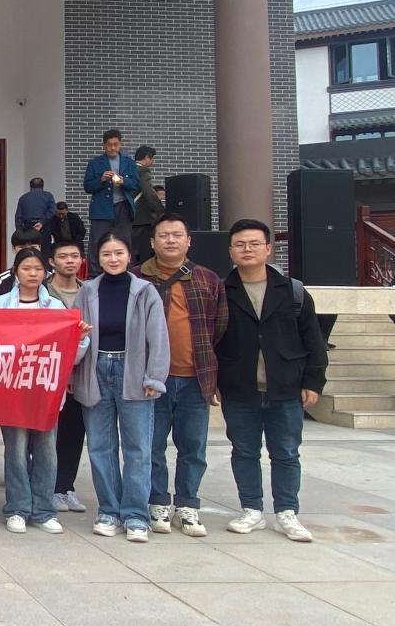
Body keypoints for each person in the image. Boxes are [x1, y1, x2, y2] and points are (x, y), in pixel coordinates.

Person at [217, 219, 327, 543]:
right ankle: (251, 509)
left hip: (286, 388)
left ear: (268, 248)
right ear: (230, 251)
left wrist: (313, 382)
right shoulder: (221, 291)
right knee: (244, 451)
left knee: (286, 452)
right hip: (239, 388)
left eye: (254, 244)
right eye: (240, 244)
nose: (247, 249)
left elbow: (314, 340)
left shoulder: (293, 291)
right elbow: (212, 340)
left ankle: (286, 512)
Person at [133, 213, 227, 537]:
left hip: (195, 378)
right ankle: (157, 501)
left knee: (193, 447)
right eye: (164, 235)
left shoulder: (208, 279)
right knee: (151, 446)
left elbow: (220, 328)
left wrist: (214, 376)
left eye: (177, 235)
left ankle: (187, 505)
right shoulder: (137, 279)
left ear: (189, 241)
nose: (170, 240)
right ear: (152, 242)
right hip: (151, 380)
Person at [72, 232, 168, 543]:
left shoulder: (145, 291)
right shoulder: (87, 291)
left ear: (129, 256)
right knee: (100, 446)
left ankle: (136, 514)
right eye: (106, 254)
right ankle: (109, 511)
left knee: (138, 447)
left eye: (118, 253)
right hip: (95, 368)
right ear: (97, 258)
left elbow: (158, 337)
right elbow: (74, 335)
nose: (113, 259)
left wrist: (155, 376)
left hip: (134, 370)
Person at [0, 248, 90, 535]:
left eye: (37, 269)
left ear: (45, 272)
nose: (32, 274)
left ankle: (43, 510)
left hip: (45, 394)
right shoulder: (0, 305)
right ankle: (17, 509)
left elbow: (71, 357)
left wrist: (79, 338)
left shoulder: (56, 308)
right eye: (26, 268)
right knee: (16, 453)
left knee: (47, 453)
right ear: (15, 272)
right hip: (12, 393)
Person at [46, 237, 88, 514]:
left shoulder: (90, 292)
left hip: (81, 374)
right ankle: (47, 486)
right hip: (48, 374)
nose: (69, 261)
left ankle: (65, 487)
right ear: (52, 261)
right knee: (46, 434)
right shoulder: (43, 293)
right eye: (63, 256)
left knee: (74, 431)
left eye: (74, 256)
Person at [83, 129, 139, 262]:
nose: (113, 148)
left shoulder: (129, 162)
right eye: (109, 145)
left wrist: (124, 181)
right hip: (101, 209)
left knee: (124, 241)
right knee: (97, 242)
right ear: (104, 145)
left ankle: (125, 269)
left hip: (123, 207)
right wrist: (101, 179)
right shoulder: (94, 163)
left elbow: (136, 184)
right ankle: (95, 273)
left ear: (120, 144)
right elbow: (87, 187)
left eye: (116, 144)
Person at [131, 146, 166, 264]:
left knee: (132, 249)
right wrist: (161, 210)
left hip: (129, 216)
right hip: (142, 218)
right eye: (152, 158)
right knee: (143, 252)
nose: (152, 161)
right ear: (146, 157)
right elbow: (148, 192)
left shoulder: (129, 169)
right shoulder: (143, 170)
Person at [0, 228, 44, 298]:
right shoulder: (2, 279)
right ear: (13, 249)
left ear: (40, 248)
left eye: (33, 247)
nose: (28, 251)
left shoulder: (49, 278)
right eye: (22, 247)